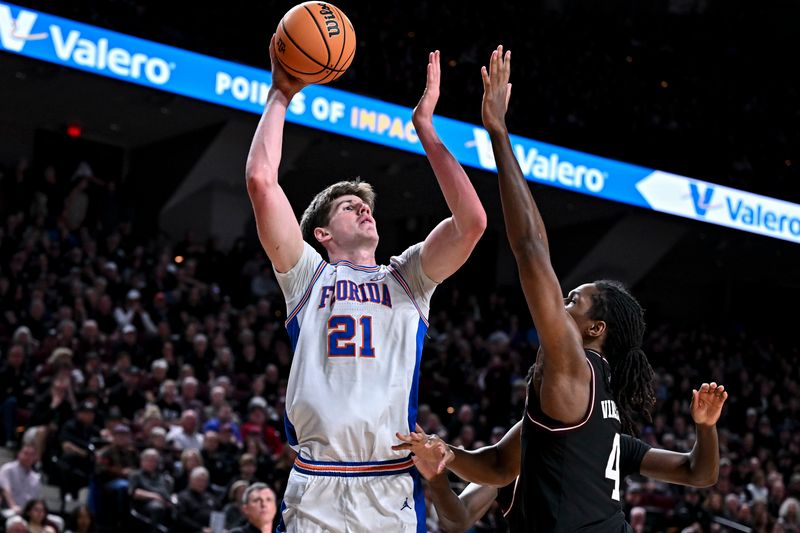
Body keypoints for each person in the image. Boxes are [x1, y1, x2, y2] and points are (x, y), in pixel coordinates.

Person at [397, 46, 729, 532]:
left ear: (595, 328)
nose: (560, 302)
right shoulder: (602, 420)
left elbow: (531, 249)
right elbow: (698, 473)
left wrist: (499, 133)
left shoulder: (575, 368)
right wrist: (445, 454)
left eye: (574, 300)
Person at [245, 31, 486, 532]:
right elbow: (261, 182)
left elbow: (472, 223)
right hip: (318, 480)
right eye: (349, 206)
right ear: (322, 232)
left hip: (389, 482)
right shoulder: (308, 276)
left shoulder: (409, 277)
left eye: (368, 206)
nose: (363, 208)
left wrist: (426, 131)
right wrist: (280, 94)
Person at [0, 444, 41, 514]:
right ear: (19, 454)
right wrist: (13, 506)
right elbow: (6, 490)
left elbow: (35, 499)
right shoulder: (8, 469)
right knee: (17, 520)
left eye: (31, 455)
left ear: (35, 458)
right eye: (26, 453)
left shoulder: (36, 477)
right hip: (9, 508)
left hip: (28, 512)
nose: (28, 457)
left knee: (57, 521)